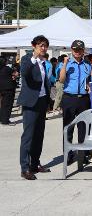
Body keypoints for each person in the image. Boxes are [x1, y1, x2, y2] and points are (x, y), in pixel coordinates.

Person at [18, 35, 52, 180]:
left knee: (39, 135)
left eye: (45, 46)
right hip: (30, 103)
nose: (43, 48)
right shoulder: (27, 59)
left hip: (42, 102)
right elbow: (25, 73)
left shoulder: (44, 63)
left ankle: (35, 164)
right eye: (40, 45)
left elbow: (45, 83)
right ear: (34, 46)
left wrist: (48, 101)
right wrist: (34, 58)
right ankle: (25, 168)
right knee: (28, 136)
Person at [59, 40, 92, 163]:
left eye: (79, 50)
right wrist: (64, 64)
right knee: (68, 127)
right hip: (69, 98)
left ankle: (82, 155)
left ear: (83, 51)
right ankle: (67, 155)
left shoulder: (87, 65)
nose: (77, 52)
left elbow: (90, 79)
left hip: (83, 99)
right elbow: (61, 80)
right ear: (71, 50)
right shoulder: (66, 63)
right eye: (75, 50)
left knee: (83, 128)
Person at [0, 57, 18, 125]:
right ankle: (5, 120)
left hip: (1, 88)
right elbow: (16, 74)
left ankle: (1, 118)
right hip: (9, 88)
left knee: (2, 104)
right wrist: (14, 76)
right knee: (8, 105)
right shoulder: (7, 68)